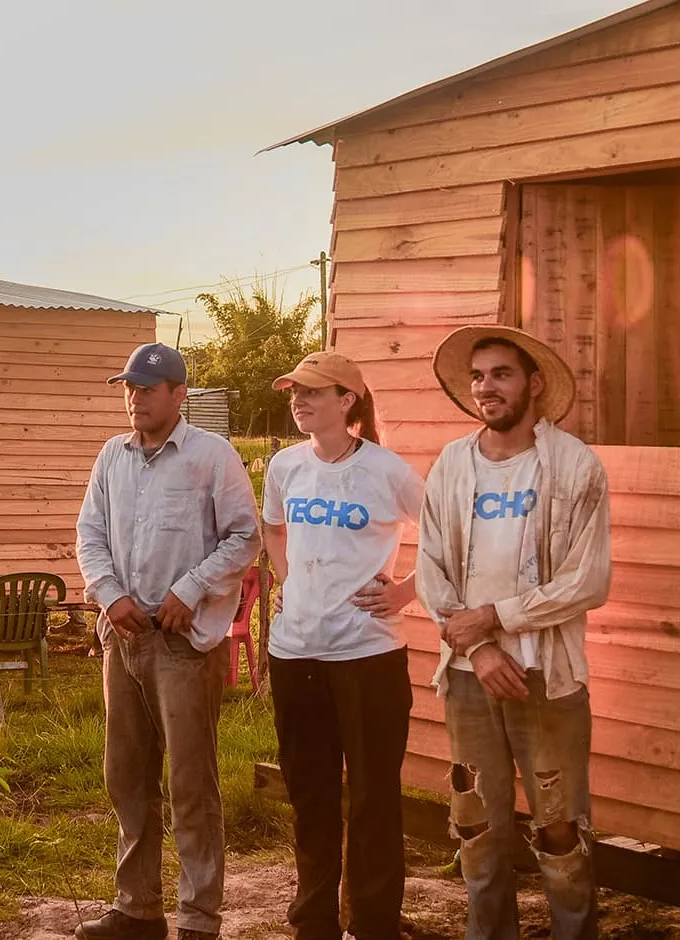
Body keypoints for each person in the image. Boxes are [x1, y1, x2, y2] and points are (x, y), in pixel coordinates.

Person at [415, 326, 610, 940]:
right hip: (471, 680)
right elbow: (431, 570)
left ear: (534, 384)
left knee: (559, 831)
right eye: (477, 376)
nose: (485, 387)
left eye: (500, 374)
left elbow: (588, 581)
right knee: (478, 827)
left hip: (546, 679)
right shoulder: (452, 464)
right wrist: (476, 645)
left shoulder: (573, 465)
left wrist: (496, 617)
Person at [74, 342, 259, 940]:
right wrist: (109, 594)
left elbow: (243, 538)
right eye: (128, 388)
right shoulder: (112, 457)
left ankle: (199, 919)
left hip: (182, 642)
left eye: (147, 389)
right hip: (123, 637)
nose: (134, 399)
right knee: (126, 776)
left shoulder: (213, 457)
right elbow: (90, 534)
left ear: (179, 394)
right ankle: (138, 909)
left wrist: (190, 588)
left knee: (190, 782)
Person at [262, 352, 423, 940]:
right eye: (294, 393)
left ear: (346, 400)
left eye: (312, 392)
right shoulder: (286, 466)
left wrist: (406, 591)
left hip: (368, 655)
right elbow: (274, 528)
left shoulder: (386, 471)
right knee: (311, 795)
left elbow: (449, 536)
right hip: (296, 651)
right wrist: (288, 581)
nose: (298, 402)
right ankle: (314, 923)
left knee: (374, 797)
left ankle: (375, 923)